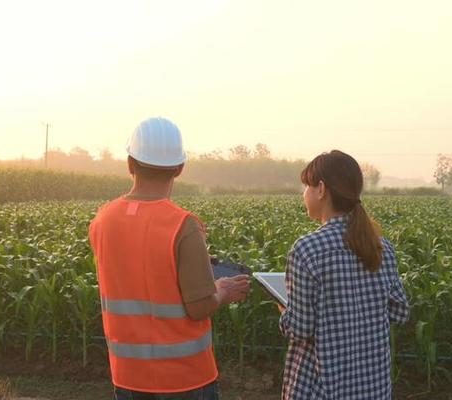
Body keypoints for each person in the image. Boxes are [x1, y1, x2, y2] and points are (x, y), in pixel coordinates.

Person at [89, 117, 250, 400]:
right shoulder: (183, 225)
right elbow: (199, 307)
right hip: (185, 379)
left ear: (130, 164)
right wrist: (223, 290)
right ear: (179, 168)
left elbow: (133, 271)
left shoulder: (102, 220)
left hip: (127, 376)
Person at [279, 150, 409, 400]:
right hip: (374, 386)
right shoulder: (381, 246)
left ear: (321, 189)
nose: (303, 194)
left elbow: (301, 329)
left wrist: (284, 311)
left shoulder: (307, 249)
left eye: (306, 186)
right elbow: (399, 310)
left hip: (323, 388)